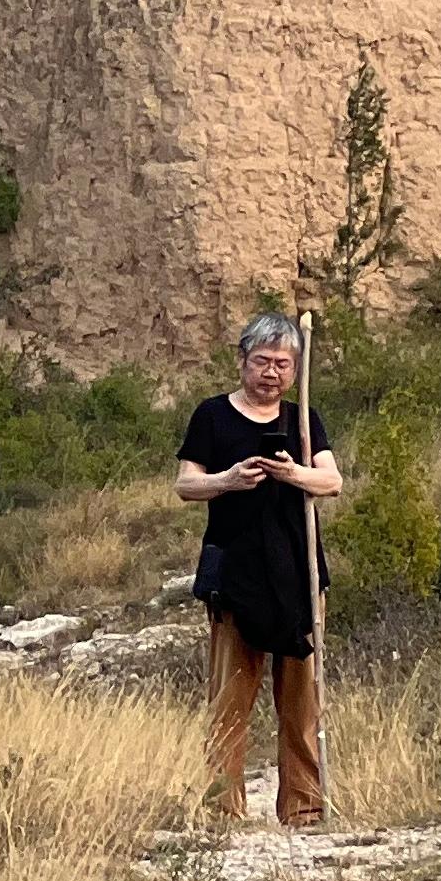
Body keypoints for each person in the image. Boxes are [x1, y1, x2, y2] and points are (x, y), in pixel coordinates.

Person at [176, 310, 344, 826]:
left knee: (300, 701)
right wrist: (227, 479)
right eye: (262, 362)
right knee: (230, 698)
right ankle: (223, 812)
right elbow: (186, 484)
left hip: (298, 571)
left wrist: (294, 473)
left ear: (295, 370)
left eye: (283, 364)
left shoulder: (303, 418)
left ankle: (304, 808)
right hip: (233, 571)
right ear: (242, 361)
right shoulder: (212, 416)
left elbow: (332, 481)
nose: (272, 373)